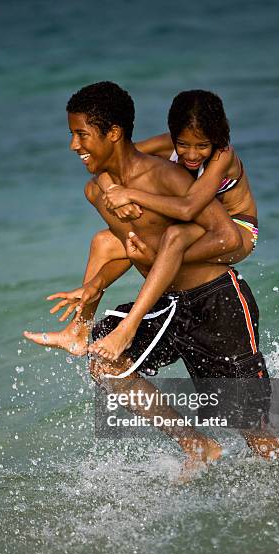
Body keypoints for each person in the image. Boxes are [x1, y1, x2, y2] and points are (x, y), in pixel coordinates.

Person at [24, 81, 279, 465]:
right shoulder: (103, 189)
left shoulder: (183, 173)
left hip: (219, 299)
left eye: (81, 135)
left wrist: (135, 201)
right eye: (72, 135)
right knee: (104, 363)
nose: (74, 145)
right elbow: (128, 244)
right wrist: (93, 285)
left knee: (254, 432)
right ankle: (195, 444)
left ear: (111, 133)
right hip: (170, 302)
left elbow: (222, 233)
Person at [25, 90, 257, 360]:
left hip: (235, 228)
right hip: (199, 223)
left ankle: (129, 326)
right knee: (104, 242)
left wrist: (131, 195)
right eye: (183, 144)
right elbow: (114, 159)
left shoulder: (222, 155)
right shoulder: (166, 145)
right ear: (173, 135)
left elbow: (189, 206)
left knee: (174, 238)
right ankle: (78, 329)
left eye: (202, 146)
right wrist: (111, 189)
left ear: (217, 139)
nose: (191, 154)